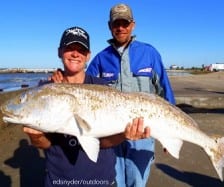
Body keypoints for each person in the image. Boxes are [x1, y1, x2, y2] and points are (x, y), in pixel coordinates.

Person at [23, 26, 150, 187]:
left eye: (81, 50)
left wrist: (124, 134)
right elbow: (46, 144)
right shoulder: (45, 89)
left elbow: (103, 143)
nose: (75, 54)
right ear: (59, 51)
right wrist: (36, 137)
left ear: (88, 55)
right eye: (69, 48)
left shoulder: (103, 88)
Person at [86, 3, 175, 187]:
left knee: (137, 182)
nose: (120, 28)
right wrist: (62, 78)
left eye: (124, 23)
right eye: (116, 23)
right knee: (114, 182)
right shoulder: (100, 60)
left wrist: (170, 134)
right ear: (109, 26)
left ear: (132, 25)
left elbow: (165, 90)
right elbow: (83, 90)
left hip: (142, 134)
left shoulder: (149, 53)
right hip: (111, 136)